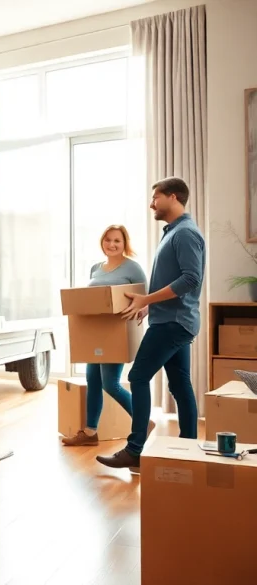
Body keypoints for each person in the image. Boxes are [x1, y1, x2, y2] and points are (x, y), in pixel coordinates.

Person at [97, 177, 206, 471]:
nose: (151, 204)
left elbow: (190, 279)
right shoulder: (174, 232)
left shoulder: (185, 234)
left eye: (156, 197)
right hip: (174, 320)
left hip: (172, 323)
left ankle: (135, 450)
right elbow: (174, 280)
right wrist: (150, 304)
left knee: (138, 377)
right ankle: (188, 448)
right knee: (180, 385)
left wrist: (147, 299)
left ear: (173, 197)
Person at [62, 225, 151, 446]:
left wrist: (143, 310)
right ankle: (90, 432)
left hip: (116, 332)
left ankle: (144, 423)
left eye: (117, 241)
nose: (112, 244)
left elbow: (146, 298)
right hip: (95, 331)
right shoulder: (95, 268)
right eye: (108, 240)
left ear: (124, 243)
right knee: (92, 380)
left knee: (110, 384)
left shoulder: (132, 268)